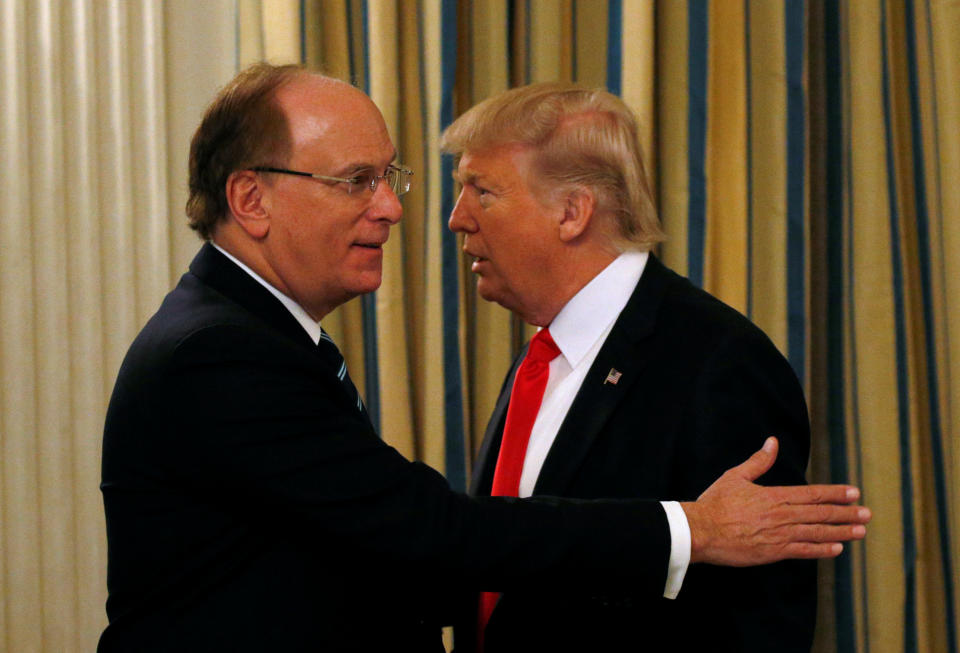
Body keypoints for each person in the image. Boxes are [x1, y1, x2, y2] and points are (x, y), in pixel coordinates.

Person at [99, 63, 869, 652]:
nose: (405, 210)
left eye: (389, 178)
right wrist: (689, 530)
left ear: (573, 211)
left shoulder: (718, 363)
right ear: (251, 199)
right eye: (357, 181)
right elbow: (430, 534)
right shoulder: (219, 353)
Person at [442, 83, 820, 652]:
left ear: (572, 212)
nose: (457, 219)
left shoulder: (720, 361)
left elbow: (759, 619)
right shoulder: (543, 355)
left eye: (483, 191)